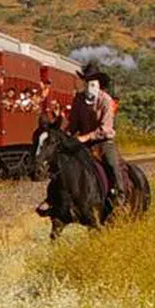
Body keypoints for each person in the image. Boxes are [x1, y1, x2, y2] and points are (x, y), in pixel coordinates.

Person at [65, 62, 125, 207]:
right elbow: (72, 124)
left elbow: (105, 129)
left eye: (93, 83)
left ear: (99, 84)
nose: (89, 86)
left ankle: (119, 194)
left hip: (103, 141)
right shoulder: (78, 99)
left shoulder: (106, 100)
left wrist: (85, 137)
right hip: (82, 142)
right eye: (87, 82)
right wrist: (65, 135)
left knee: (111, 163)